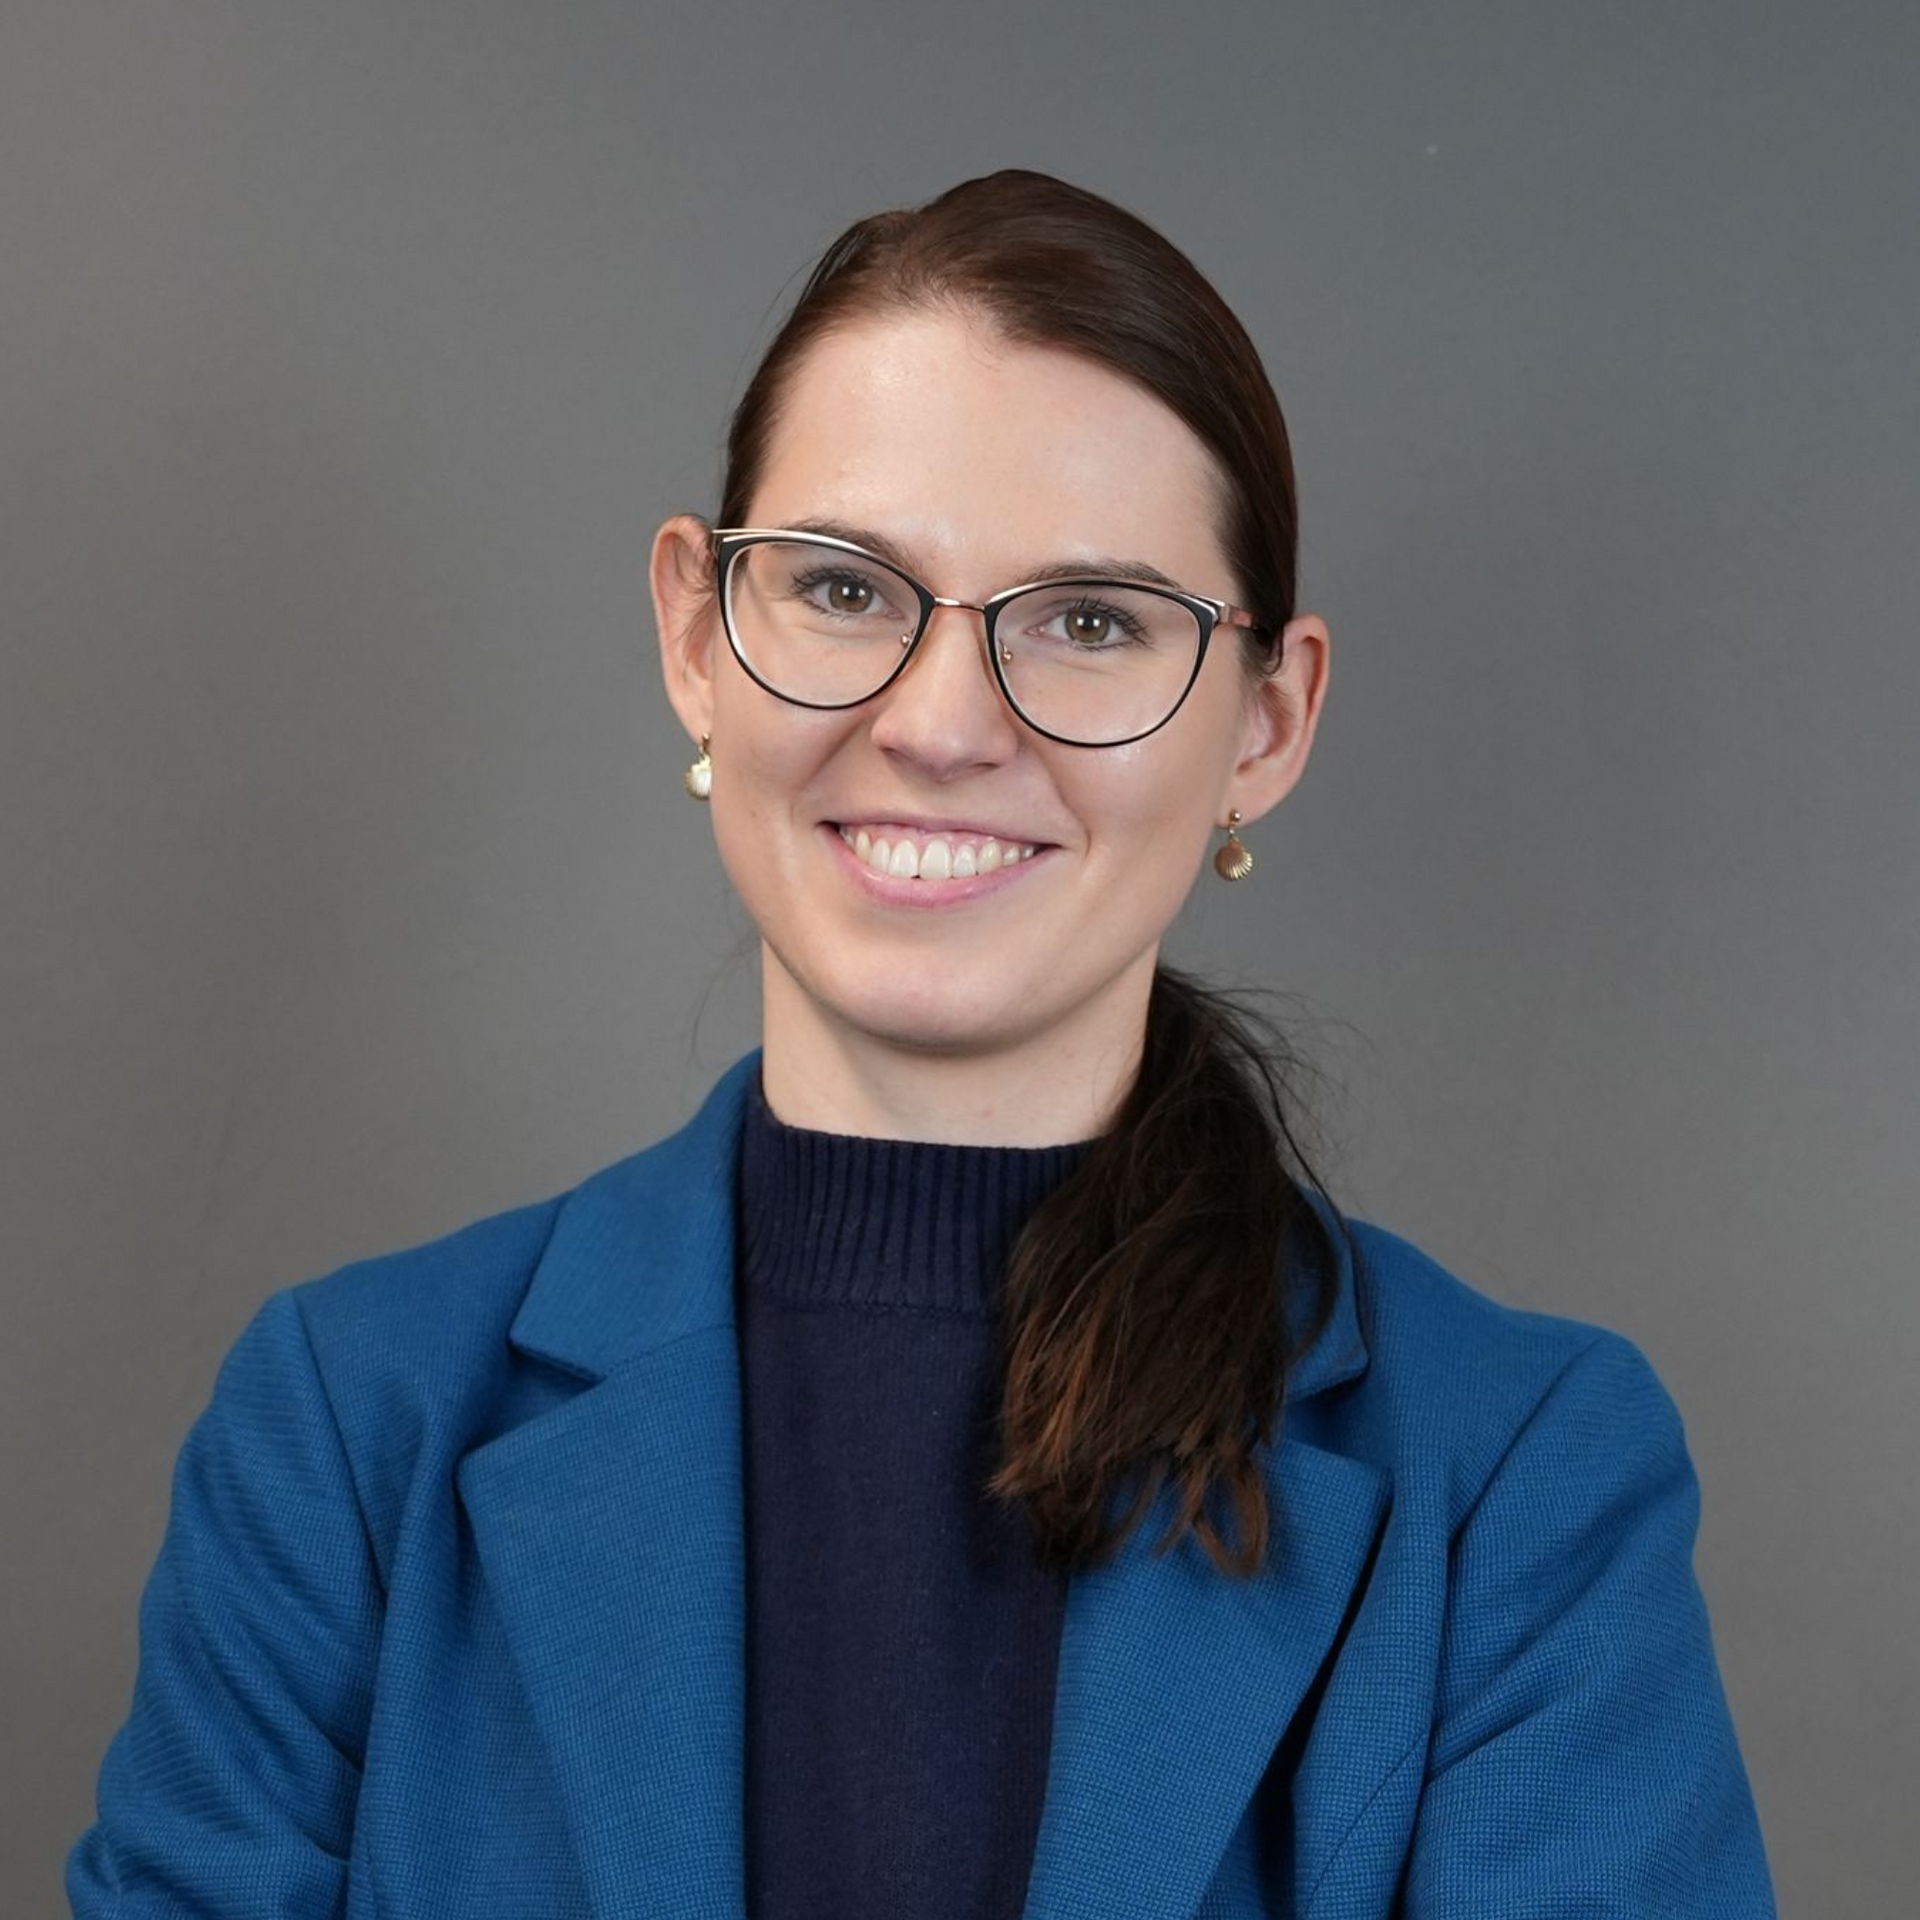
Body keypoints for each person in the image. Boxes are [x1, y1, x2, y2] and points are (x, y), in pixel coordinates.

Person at [67, 170, 1777, 1918]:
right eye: (842, 590)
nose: (942, 725)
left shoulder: (1520, 1482)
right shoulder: (349, 1430)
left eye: (1094, 622)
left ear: (1268, 725)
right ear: (694, 633)